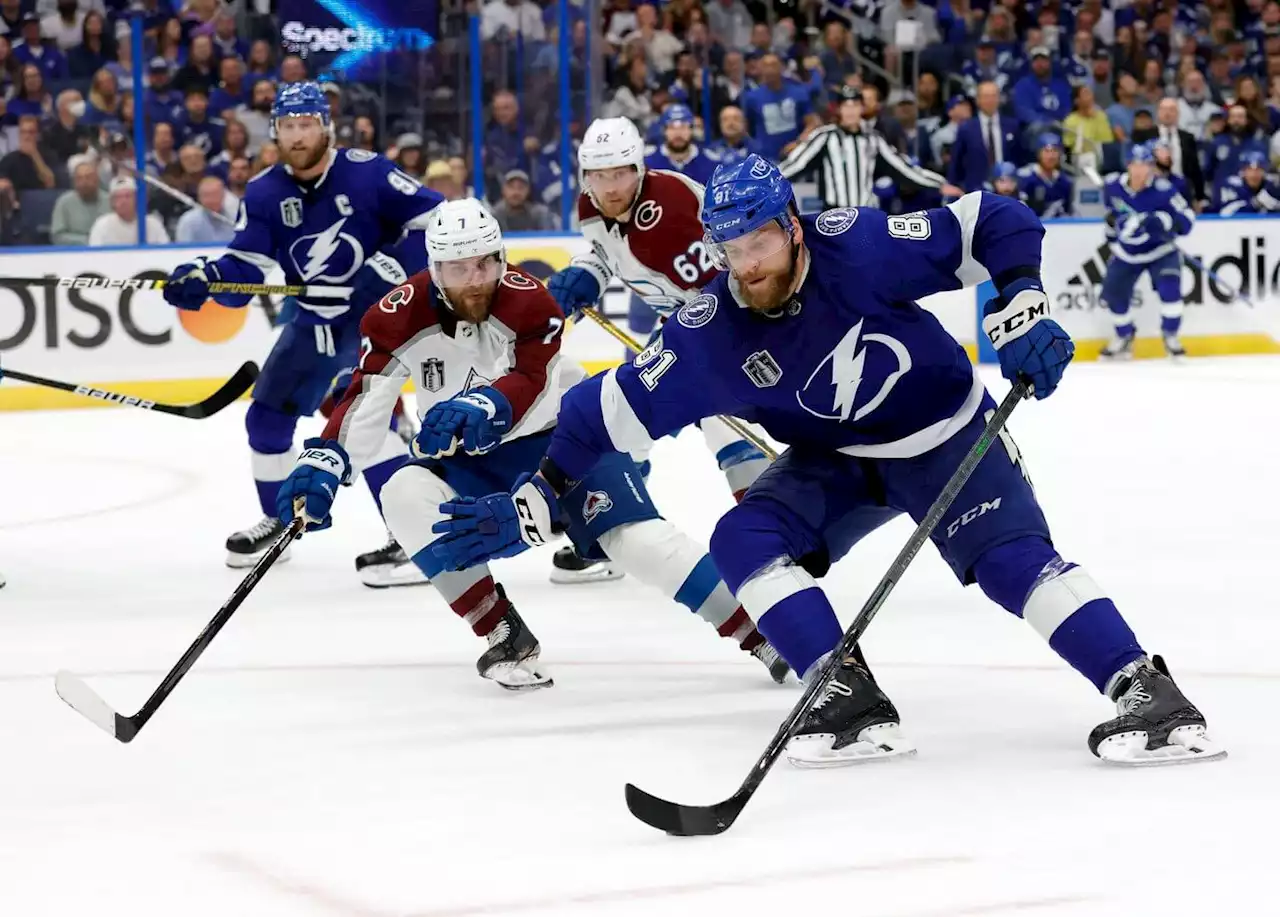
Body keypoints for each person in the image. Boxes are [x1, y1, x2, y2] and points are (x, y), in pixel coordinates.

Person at [435, 154, 1225, 769]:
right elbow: (593, 419)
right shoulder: (710, 330)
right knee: (743, 540)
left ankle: (1148, 691)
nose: (747, 263)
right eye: (730, 247)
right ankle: (845, 693)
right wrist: (537, 492)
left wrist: (1019, 298)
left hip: (945, 433)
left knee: (1011, 562)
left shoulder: (860, 247)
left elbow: (996, 219)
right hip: (838, 459)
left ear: (794, 226)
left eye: (761, 240)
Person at [275, 199, 788, 689]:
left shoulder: (530, 301)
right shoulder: (393, 317)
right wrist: (326, 457)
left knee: (642, 542)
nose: (475, 282)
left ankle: (765, 633)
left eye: (484, 265)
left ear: (501, 256)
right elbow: (365, 398)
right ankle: (503, 632)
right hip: (470, 465)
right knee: (403, 493)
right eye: (458, 270)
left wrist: (481, 405)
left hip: (565, 448)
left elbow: (531, 380)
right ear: (434, 268)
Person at [160, 82, 444, 582]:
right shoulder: (266, 191)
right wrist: (206, 278)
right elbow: (243, 269)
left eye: (306, 124)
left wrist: (392, 271)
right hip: (313, 323)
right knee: (266, 422)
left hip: (373, 324)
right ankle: (282, 525)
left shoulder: (367, 171)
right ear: (275, 131)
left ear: (325, 126)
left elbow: (438, 217)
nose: (297, 135)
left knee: (355, 420)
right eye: (288, 126)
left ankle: (415, 539)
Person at [541, 117, 771, 583]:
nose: (609, 187)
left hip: (727, 324)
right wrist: (588, 273)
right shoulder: (590, 206)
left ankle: (772, 546)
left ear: (639, 167)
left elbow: (728, 281)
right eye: (598, 176)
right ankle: (613, 527)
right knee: (624, 423)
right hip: (681, 327)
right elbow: (606, 251)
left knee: (727, 430)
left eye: (619, 173)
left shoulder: (671, 208)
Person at [781, 85, 959, 209]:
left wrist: (938, 184)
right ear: (839, 109)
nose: (850, 110)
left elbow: (902, 168)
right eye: (846, 106)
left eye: (855, 105)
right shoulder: (825, 137)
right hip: (834, 214)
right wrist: (763, 180)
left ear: (861, 109)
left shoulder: (873, 138)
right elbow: (796, 165)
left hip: (865, 212)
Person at [1098, 144, 1196, 361]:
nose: (1141, 170)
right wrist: (1114, 231)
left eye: (1146, 165)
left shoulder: (1165, 190)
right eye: (1136, 165)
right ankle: (1124, 335)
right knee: (1113, 296)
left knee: (1170, 290)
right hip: (1127, 253)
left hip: (1161, 250)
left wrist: (1166, 223)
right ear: (1128, 166)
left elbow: (1187, 218)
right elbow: (1111, 217)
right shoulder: (1113, 186)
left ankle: (1170, 336)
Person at [949, 81, 1022, 193]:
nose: (990, 101)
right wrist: (952, 185)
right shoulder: (966, 128)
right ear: (977, 100)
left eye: (993, 96)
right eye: (986, 96)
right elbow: (956, 162)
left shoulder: (1012, 126)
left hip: (1007, 190)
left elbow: (1019, 157)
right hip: (975, 190)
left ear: (999, 99)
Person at [644, 104, 716, 186]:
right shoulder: (648, 163)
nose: (678, 133)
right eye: (672, 127)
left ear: (691, 129)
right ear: (664, 131)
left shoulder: (710, 163)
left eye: (683, 127)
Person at [88, 176, 170, 245]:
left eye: (128, 196)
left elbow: (166, 252)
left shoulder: (153, 224)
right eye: (118, 197)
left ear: (137, 198)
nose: (123, 201)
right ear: (112, 202)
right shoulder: (102, 224)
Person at [51, 159, 108, 245]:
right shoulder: (64, 202)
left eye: (88, 177)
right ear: (74, 182)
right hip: (74, 253)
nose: (84, 182)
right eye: (79, 178)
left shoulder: (110, 200)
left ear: (97, 179)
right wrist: (88, 240)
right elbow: (57, 236)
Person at [1017, 134, 1073, 217]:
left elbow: (1068, 211)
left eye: (1054, 151)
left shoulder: (1065, 182)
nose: (1051, 156)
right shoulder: (1026, 179)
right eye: (1046, 151)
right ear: (1039, 154)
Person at [1209, 150, 1280, 215]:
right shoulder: (1232, 186)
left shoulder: (1272, 186)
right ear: (1243, 171)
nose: (1254, 175)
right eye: (1249, 170)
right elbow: (1225, 213)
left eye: (1258, 170)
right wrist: (1255, 203)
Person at [174, 174, 235, 243]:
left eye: (215, 194)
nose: (211, 200)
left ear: (223, 195)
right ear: (199, 198)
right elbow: (183, 251)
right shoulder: (188, 222)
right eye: (206, 195)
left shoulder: (235, 219)